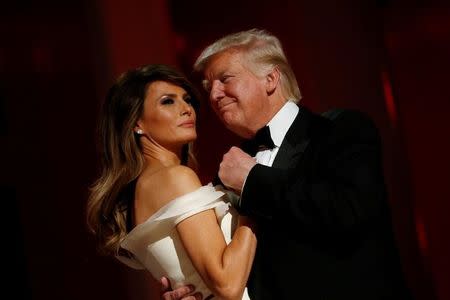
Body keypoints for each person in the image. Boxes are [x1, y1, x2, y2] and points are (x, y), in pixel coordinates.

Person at [162, 29, 413, 299]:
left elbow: (348, 210)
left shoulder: (341, 130)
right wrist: (195, 291)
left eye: (225, 79)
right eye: (209, 87)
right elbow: (230, 272)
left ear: (271, 79)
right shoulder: (229, 171)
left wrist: (252, 180)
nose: (214, 95)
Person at [86, 64, 257, 300]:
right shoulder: (175, 178)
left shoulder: (144, 187)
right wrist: (254, 200)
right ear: (137, 123)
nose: (186, 109)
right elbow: (227, 285)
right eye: (168, 101)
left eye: (187, 99)